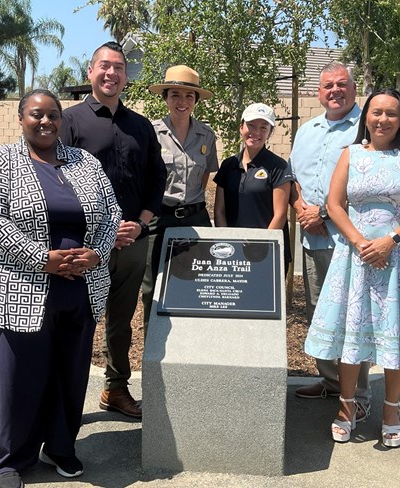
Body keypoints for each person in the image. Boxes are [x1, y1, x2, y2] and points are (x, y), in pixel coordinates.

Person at [0, 89, 121, 488]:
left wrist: (97, 254)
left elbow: (111, 213)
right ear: (21, 118)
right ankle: (12, 461)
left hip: (81, 288)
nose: (46, 121)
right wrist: (42, 259)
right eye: (37, 114)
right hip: (19, 287)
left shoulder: (83, 161)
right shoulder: (0, 161)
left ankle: (59, 447)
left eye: (53, 115)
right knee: (20, 376)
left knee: (70, 374)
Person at [304, 88, 400, 447]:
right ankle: (347, 407)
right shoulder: (350, 153)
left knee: (395, 334)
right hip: (356, 256)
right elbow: (334, 203)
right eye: (376, 112)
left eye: (391, 113)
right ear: (366, 117)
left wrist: (390, 241)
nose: (382, 119)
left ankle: (391, 410)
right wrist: (362, 243)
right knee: (352, 332)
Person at [60, 41, 166, 419]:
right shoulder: (69, 122)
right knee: (80, 319)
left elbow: (157, 178)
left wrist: (141, 222)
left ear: (126, 76)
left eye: (119, 67)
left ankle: (115, 389)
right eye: (104, 66)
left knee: (121, 322)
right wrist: (101, 230)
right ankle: (65, 398)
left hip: (134, 241)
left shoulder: (140, 126)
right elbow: (57, 182)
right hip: (86, 245)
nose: (111, 73)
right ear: (90, 72)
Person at [288, 61, 371, 420]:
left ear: (353, 90)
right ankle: (331, 381)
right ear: (318, 93)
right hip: (311, 241)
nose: (334, 91)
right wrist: (302, 209)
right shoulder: (306, 131)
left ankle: (360, 394)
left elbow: (369, 181)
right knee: (319, 312)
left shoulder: (367, 130)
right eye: (327, 86)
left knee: (352, 318)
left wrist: (322, 213)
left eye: (341, 84)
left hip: (348, 241)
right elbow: (292, 178)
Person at [142, 65, 218, 331]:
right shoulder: (150, 133)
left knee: (197, 282)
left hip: (195, 220)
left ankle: (190, 344)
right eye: (175, 94)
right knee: (152, 286)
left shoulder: (207, 136)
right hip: (159, 220)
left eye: (189, 96)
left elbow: (204, 177)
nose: (182, 102)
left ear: (196, 101)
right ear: (165, 98)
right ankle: (154, 347)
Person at [213, 102, 292, 266]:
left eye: (264, 127)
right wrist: (227, 242)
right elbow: (219, 211)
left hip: (267, 251)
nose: (256, 132)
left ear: (270, 133)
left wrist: (262, 245)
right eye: (251, 125)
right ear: (241, 127)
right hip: (232, 251)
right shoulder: (229, 165)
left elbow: (280, 215)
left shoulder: (278, 166)